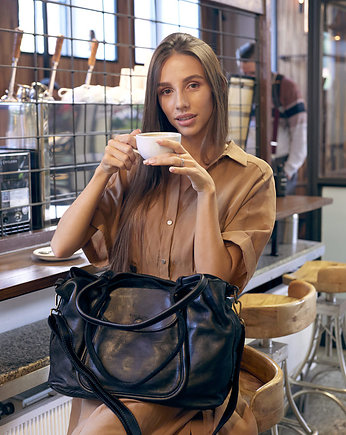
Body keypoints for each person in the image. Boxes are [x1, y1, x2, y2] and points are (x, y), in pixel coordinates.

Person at [51, 32, 276, 435]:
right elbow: (61, 245)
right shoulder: (136, 168)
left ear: (216, 87)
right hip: (119, 349)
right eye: (166, 91)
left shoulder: (251, 177)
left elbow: (217, 281)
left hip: (191, 359)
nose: (180, 103)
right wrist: (103, 172)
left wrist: (205, 193)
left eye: (193, 85)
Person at [236, 41, 307, 194]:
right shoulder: (241, 88)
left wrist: (289, 170)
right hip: (248, 166)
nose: (248, 78)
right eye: (244, 73)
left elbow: (300, 133)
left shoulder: (286, 88)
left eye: (252, 74)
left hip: (279, 165)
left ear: (265, 66)